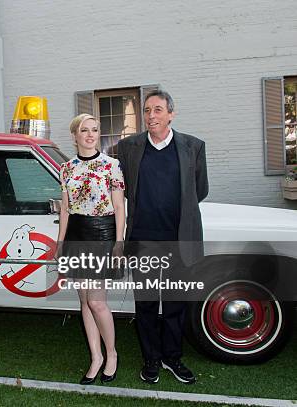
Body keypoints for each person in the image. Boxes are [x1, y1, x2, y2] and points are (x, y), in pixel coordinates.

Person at [117, 90, 208, 385]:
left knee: (174, 303)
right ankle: (151, 359)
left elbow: (199, 190)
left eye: (157, 110)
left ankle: (172, 357)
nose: (151, 116)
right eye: (146, 110)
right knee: (145, 304)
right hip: (143, 240)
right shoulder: (128, 147)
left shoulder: (193, 147)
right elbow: (125, 189)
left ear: (171, 113)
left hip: (178, 240)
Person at [58, 114, 125, 385]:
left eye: (94, 130)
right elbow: (65, 208)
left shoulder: (112, 165)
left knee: (97, 301)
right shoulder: (67, 168)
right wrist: (60, 242)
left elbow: (119, 207)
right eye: (84, 130)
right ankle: (95, 357)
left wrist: (119, 241)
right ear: (74, 135)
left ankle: (112, 354)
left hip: (102, 234)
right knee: (84, 301)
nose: (90, 135)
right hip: (76, 234)